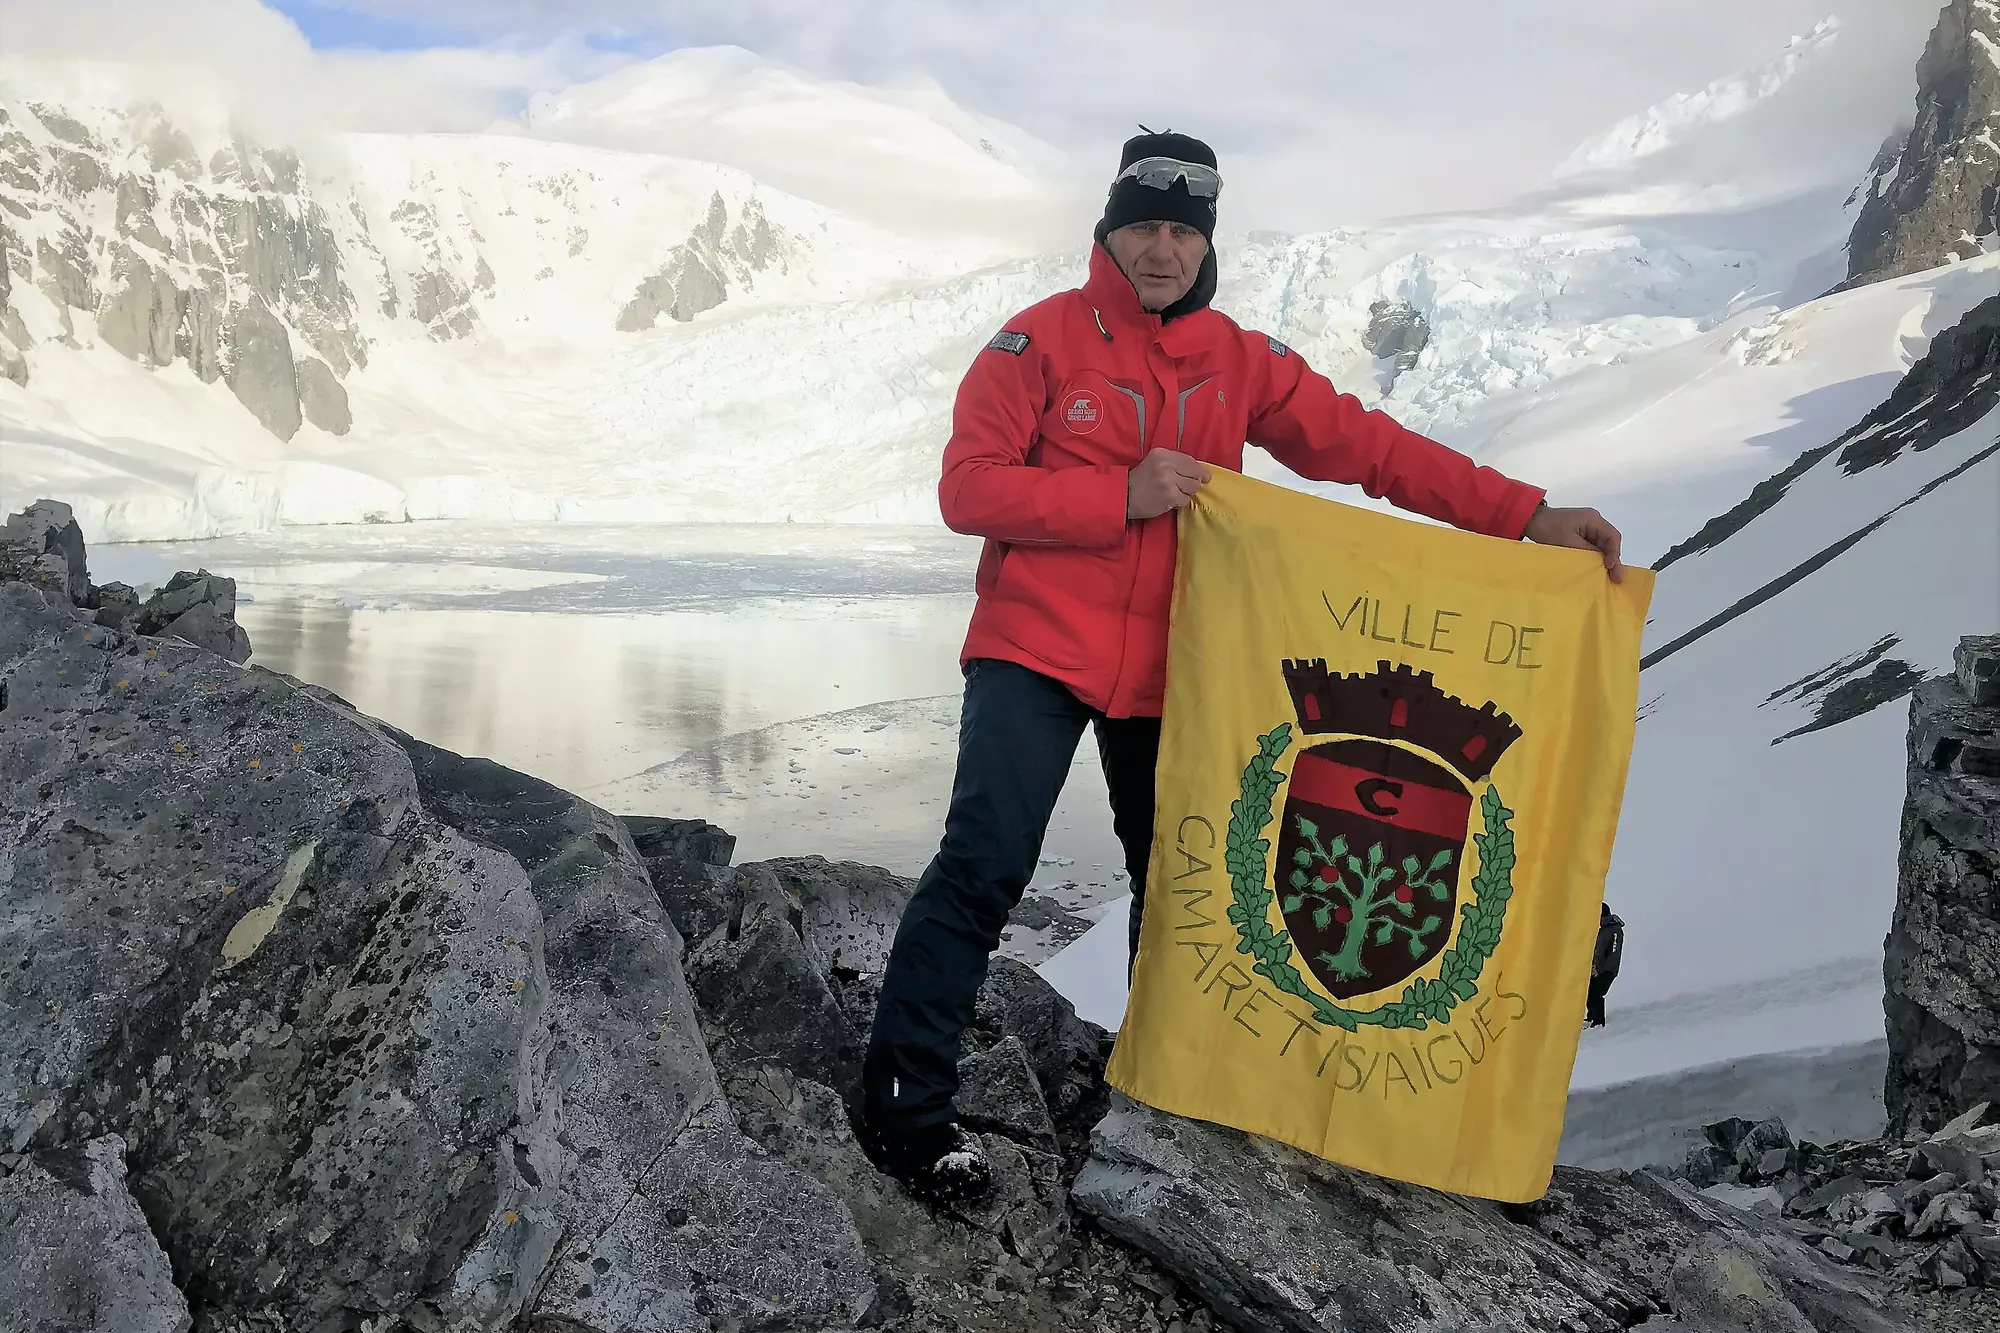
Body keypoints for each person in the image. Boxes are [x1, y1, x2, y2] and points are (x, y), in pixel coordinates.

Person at [855, 129, 1626, 1202]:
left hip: (1173, 665)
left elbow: (1369, 447)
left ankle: (1153, 1083)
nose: (1162, 249)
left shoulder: (1236, 360)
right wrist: (1111, 495)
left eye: (1182, 230)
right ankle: (905, 1106)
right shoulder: (1031, 347)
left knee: (1174, 884)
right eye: (1143, 226)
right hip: (1035, 646)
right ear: (1107, 232)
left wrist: (1526, 515)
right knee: (984, 859)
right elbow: (967, 490)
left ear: (1203, 242)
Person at [1586, 902, 1625, 1028]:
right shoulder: (1602, 928)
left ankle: (1598, 1021)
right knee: (1589, 991)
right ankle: (1592, 1017)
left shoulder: (1614, 929)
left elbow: (1613, 952)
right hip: (1597, 967)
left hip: (1606, 969)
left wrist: (1602, 969)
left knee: (1597, 993)